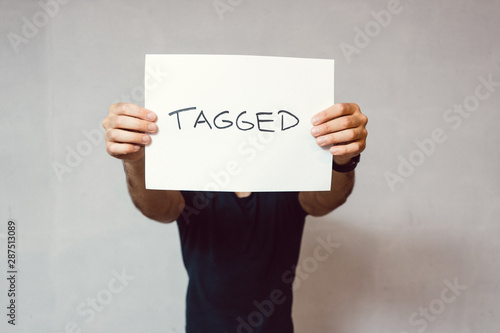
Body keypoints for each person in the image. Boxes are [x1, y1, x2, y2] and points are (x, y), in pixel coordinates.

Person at [103, 102, 368, 332]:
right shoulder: (194, 182)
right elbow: (158, 209)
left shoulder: (285, 181)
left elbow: (325, 200)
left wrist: (343, 160)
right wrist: (135, 160)